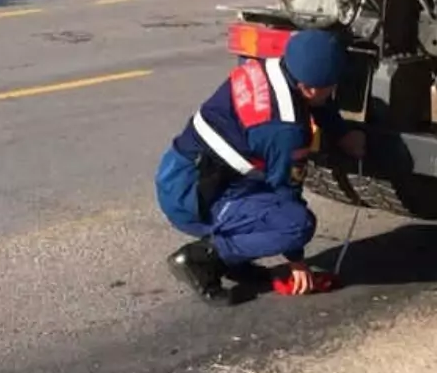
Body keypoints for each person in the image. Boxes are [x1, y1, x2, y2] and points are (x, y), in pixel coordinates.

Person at [155, 28, 366, 305]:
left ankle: (234, 256)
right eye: (331, 86)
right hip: (192, 198)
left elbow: (315, 101)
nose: (333, 91)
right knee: (295, 224)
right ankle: (203, 258)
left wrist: (342, 133)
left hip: (180, 171)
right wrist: (296, 261)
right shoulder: (286, 129)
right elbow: (286, 192)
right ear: (310, 87)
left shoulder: (272, 68)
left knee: (268, 193)